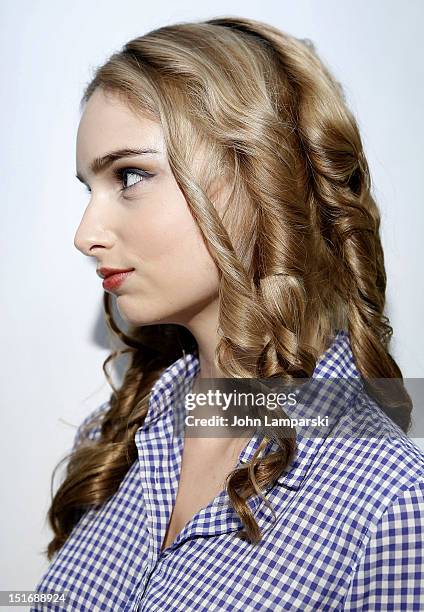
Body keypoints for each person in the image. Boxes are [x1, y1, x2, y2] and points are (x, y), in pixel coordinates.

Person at [32, 16, 423, 611]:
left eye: (130, 175)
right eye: (90, 187)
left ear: (263, 173)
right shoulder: (117, 440)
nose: (86, 234)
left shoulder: (392, 501)